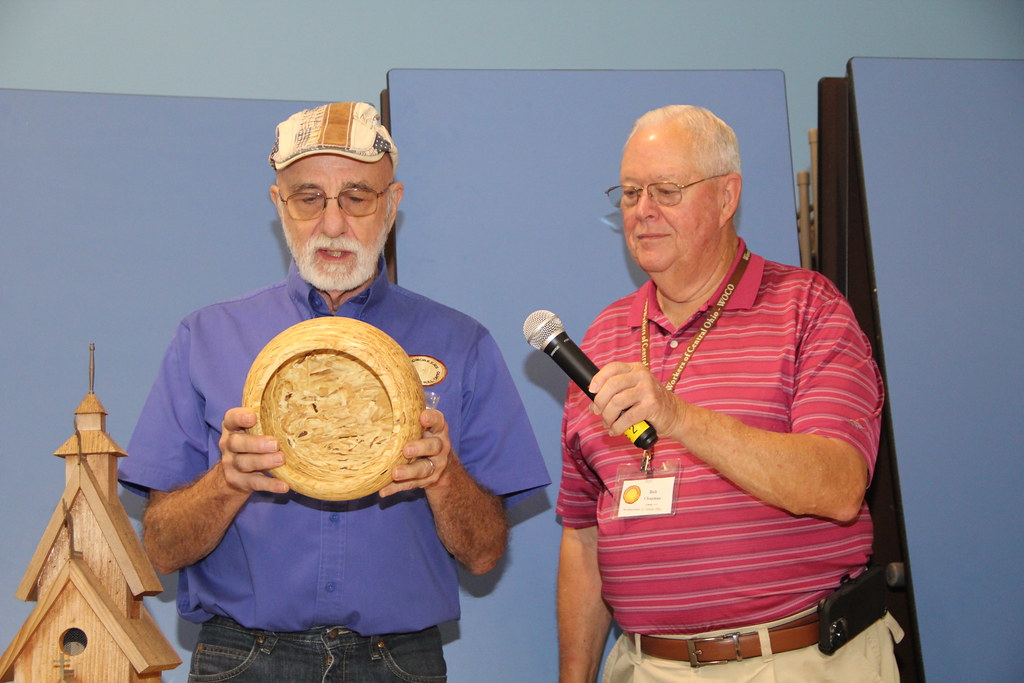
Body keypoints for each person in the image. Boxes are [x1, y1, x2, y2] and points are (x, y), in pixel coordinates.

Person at [119, 102, 550, 682]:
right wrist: (227, 481)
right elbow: (161, 549)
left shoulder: (462, 342)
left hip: (398, 662)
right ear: (279, 206)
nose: (332, 223)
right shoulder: (206, 337)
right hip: (243, 659)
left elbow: (483, 554)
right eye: (308, 197)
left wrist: (443, 477)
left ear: (391, 204)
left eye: (357, 197)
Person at [556, 105, 903, 682]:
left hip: (792, 660)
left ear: (725, 197)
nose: (644, 212)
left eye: (666, 190)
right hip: (646, 665)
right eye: (631, 192)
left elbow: (840, 486)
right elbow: (584, 532)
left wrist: (676, 415)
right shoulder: (604, 336)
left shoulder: (809, 310)